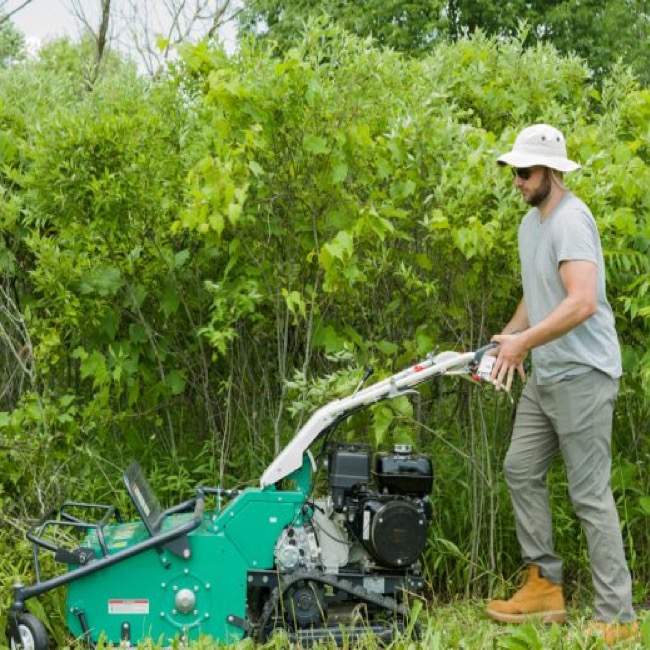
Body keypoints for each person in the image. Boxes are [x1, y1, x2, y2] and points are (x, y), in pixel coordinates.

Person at [485, 124, 637, 644]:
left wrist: (523, 343)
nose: (518, 182)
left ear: (551, 171)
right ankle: (545, 585)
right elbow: (540, 293)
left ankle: (617, 616)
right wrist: (508, 334)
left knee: (589, 495)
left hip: (584, 375)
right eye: (514, 172)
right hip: (546, 375)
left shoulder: (572, 220)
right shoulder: (532, 225)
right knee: (519, 469)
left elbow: (581, 301)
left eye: (525, 173)